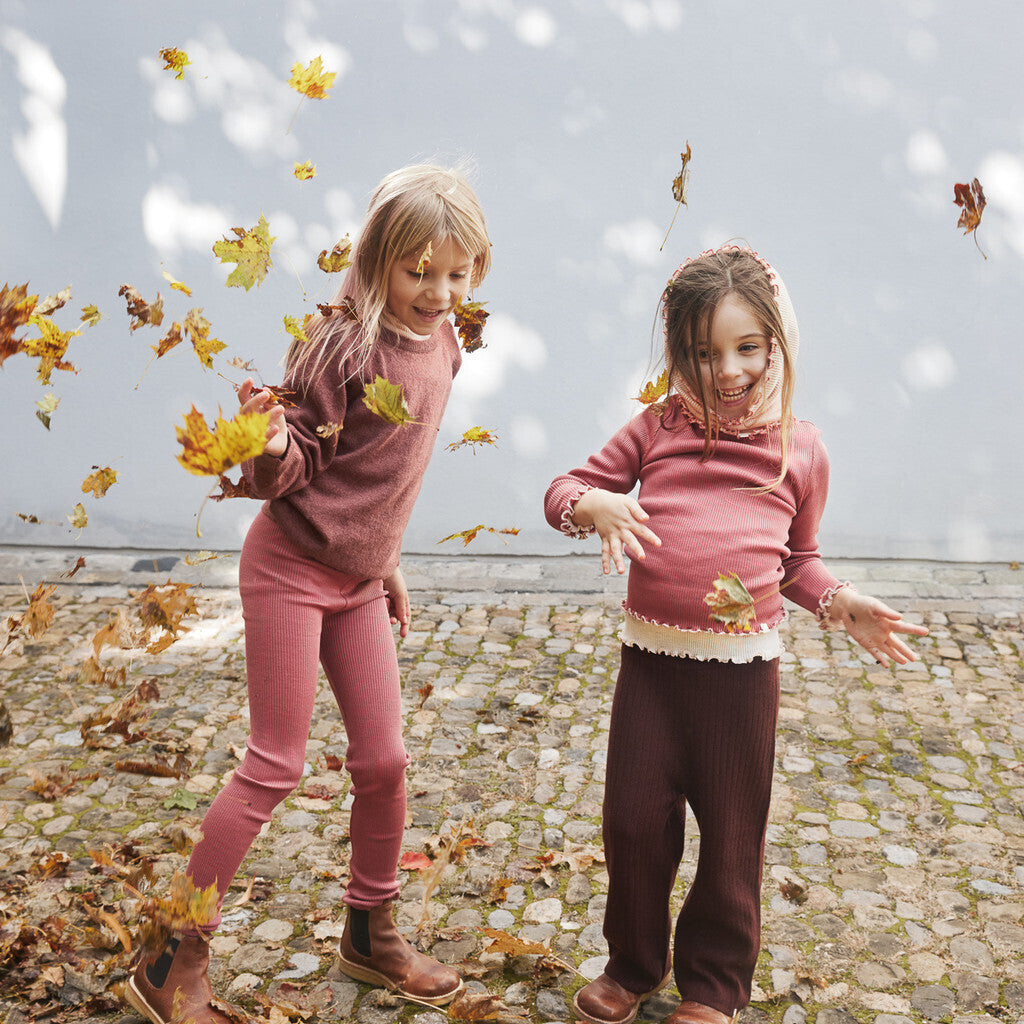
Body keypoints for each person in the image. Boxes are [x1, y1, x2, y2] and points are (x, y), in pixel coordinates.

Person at [125, 164, 492, 1024]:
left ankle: (371, 933)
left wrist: (385, 558)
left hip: (359, 581)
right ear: (374, 262)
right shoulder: (343, 347)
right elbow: (298, 472)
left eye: (456, 272)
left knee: (385, 761)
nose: (438, 292)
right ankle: (172, 956)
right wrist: (263, 439)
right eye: (418, 272)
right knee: (276, 763)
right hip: (290, 569)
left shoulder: (445, 344)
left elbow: (379, 474)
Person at [544, 245, 927, 1024]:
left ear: (777, 342)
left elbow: (799, 562)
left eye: (747, 347)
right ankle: (633, 965)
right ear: (678, 352)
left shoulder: (801, 447)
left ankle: (715, 987)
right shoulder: (657, 427)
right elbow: (564, 488)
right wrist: (593, 508)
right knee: (633, 822)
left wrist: (840, 601)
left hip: (740, 679)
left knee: (730, 835)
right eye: (704, 351)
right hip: (651, 667)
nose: (727, 369)